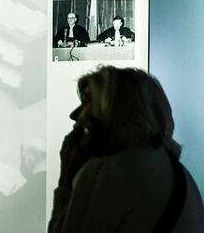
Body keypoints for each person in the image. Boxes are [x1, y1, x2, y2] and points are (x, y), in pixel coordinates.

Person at [48, 66, 204, 232]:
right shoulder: (180, 174)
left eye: (87, 102)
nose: (75, 114)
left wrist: (67, 175)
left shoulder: (106, 173)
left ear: (115, 111)